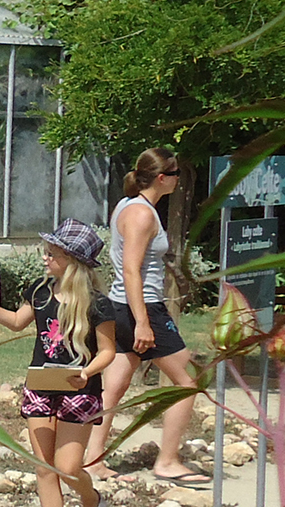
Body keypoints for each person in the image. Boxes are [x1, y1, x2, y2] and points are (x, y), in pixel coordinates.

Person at [0, 220, 120, 507]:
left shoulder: (98, 304)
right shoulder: (39, 291)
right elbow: (15, 322)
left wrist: (87, 371)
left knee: (67, 467)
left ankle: (91, 500)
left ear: (71, 259)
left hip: (79, 388)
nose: (44, 258)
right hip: (41, 385)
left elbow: (108, 351)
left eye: (51, 253)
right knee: (43, 466)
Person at [89, 148, 210, 487]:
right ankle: (168, 461)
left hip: (123, 305)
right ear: (162, 178)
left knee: (114, 385)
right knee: (185, 384)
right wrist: (143, 321)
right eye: (175, 175)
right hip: (142, 306)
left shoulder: (128, 206)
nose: (178, 181)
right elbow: (130, 269)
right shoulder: (142, 214)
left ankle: (92, 459)